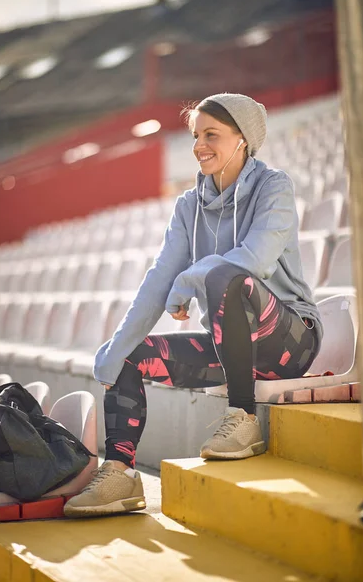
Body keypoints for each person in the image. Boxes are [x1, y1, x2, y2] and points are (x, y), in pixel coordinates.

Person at [64, 93, 323, 519]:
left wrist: (187, 281)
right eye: (195, 135)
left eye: (212, 135)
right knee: (130, 357)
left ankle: (243, 418)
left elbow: (253, 262)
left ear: (243, 139)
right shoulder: (189, 206)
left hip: (289, 341)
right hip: (231, 349)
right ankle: (120, 473)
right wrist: (114, 349)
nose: (199, 145)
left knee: (227, 276)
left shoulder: (274, 187)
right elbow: (156, 283)